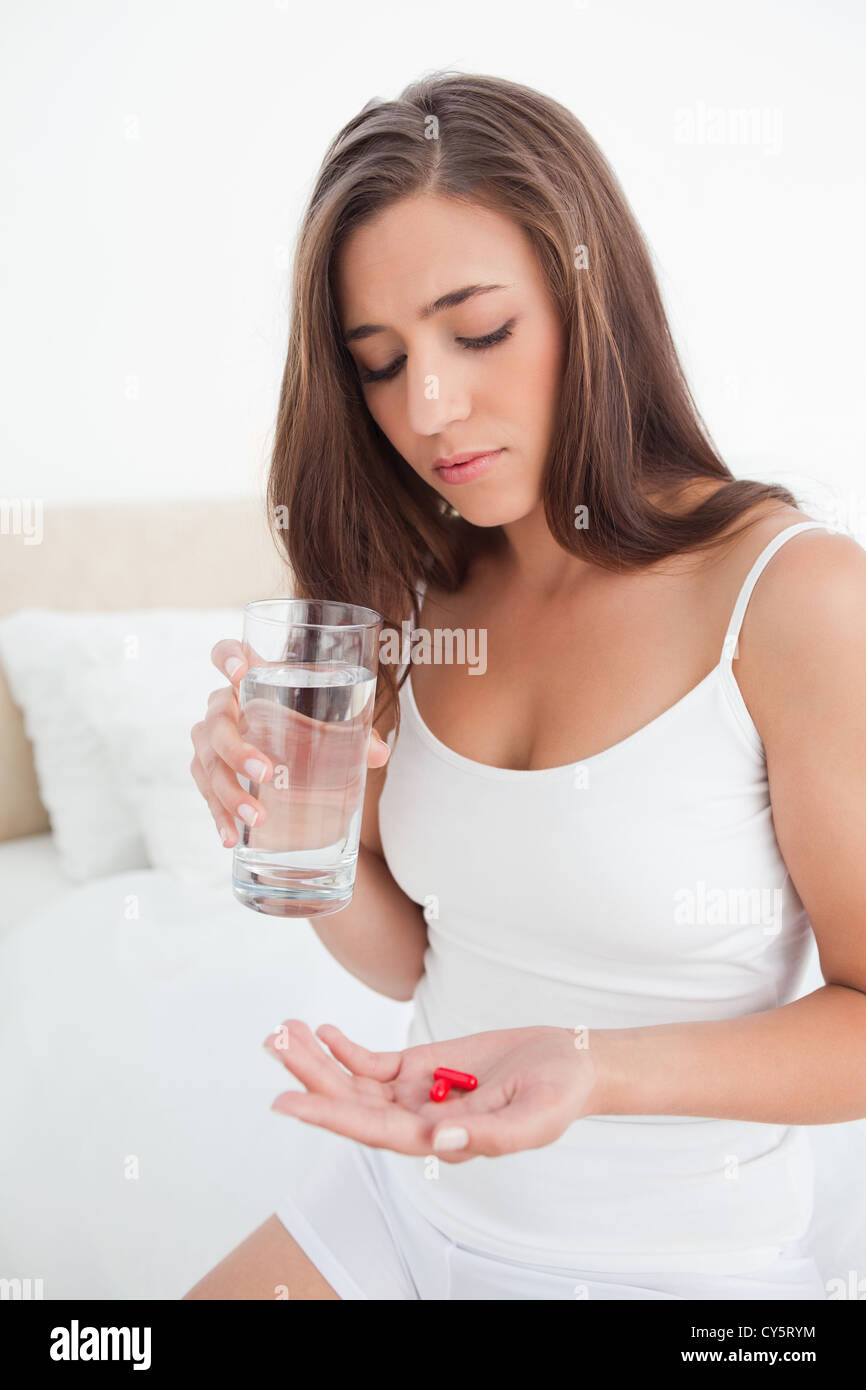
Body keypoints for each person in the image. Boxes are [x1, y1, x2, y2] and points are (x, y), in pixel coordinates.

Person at [183, 71, 866, 1300]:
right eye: (380, 363)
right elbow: (416, 961)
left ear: (589, 302)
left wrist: (595, 1069)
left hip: (675, 1262)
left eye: (477, 330)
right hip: (401, 1200)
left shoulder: (791, 598)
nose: (428, 408)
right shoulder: (413, 594)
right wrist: (296, 833)